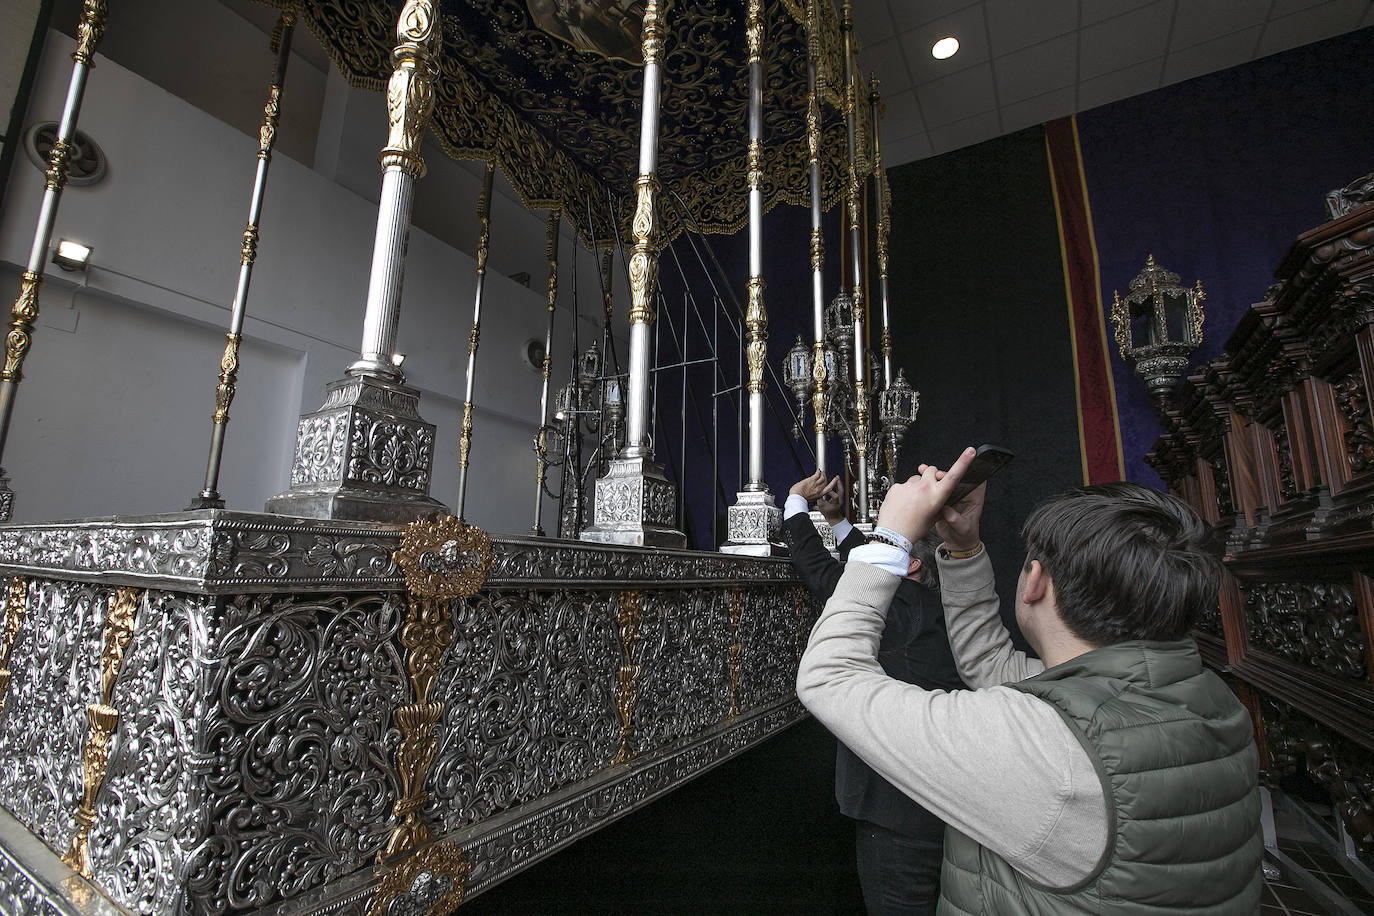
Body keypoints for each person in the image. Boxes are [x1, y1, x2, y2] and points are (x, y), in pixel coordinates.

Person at [796, 447, 1261, 914]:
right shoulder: (1206, 696)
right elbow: (990, 667)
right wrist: (963, 549)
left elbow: (829, 677)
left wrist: (890, 539)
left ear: (1034, 581)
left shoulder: (1042, 741)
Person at [784, 470, 964, 916]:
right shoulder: (928, 607)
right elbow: (867, 572)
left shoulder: (899, 606)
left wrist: (794, 504)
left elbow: (834, 580)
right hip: (941, 804)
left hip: (897, 812)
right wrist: (839, 520)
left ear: (912, 566)